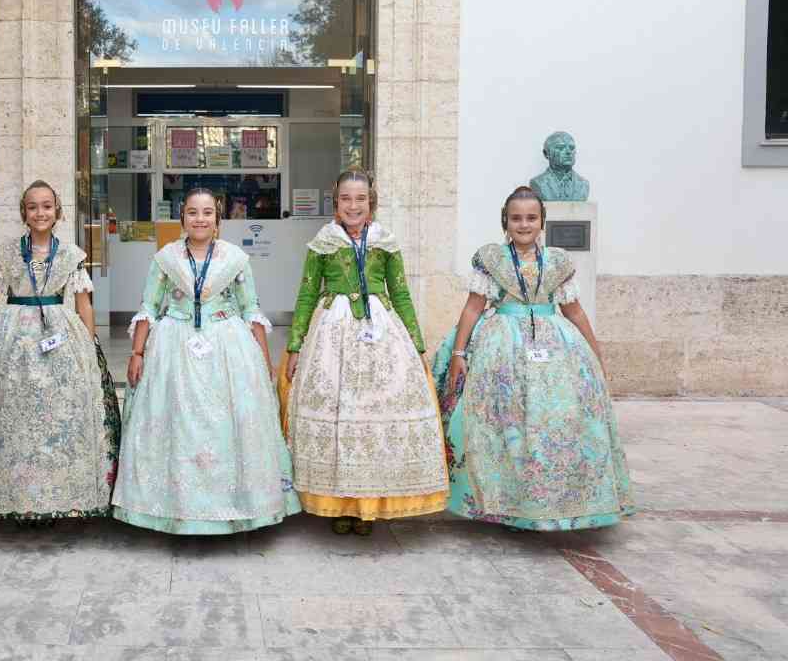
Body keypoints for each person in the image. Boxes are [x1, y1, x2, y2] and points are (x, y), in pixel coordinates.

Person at [432, 185, 634, 530]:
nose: (523, 224)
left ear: (542, 222)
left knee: (554, 419)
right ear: (505, 222)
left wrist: (594, 351)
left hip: (555, 345)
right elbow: (473, 308)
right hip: (502, 347)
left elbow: (574, 310)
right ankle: (506, 501)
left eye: (531, 218)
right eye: (516, 218)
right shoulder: (492, 259)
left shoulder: (557, 261)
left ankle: (557, 500)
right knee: (505, 422)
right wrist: (459, 352)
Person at [112, 188, 301, 534]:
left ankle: (237, 507)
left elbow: (251, 309)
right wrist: (137, 352)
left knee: (228, 425)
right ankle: (176, 510)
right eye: (193, 212)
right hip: (174, 345)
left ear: (217, 220)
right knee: (178, 424)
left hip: (227, 345)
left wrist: (264, 360)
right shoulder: (166, 258)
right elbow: (149, 306)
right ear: (182, 218)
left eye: (207, 213)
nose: (200, 219)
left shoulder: (235, 259)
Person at [280, 168, 448, 536]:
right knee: (338, 415)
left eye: (360, 199)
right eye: (346, 198)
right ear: (335, 203)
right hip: (332, 334)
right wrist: (295, 345)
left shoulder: (385, 242)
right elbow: (307, 293)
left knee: (373, 417)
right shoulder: (323, 242)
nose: (353, 206)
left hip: (382, 333)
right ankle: (339, 506)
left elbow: (400, 292)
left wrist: (417, 346)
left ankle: (367, 507)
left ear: (371, 203)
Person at [0, 181, 120, 523]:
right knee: (13, 417)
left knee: (56, 416)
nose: (41, 212)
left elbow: (83, 303)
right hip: (10, 337)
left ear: (58, 211)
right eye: (33, 206)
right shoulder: (7, 252)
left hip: (59, 335)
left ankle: (55, 496)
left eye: (47, 206)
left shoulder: (70, 255)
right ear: (24, 212)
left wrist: (89, 343)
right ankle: (14, 496)